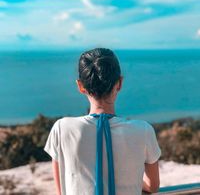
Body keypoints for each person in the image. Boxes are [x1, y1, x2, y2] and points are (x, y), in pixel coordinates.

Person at [44, 47, 161, 195]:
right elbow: (153, 186)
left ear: (80, 86)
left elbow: (61, 190)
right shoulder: (143, 130)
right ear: (119, 83)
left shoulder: (62, 128)